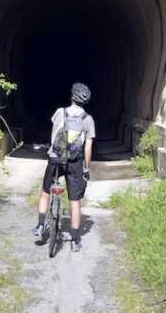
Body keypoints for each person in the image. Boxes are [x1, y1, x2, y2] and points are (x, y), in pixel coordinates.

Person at [33, 82, 95, 253]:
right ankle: (75, 239)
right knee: (75, 201)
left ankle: (39, 226)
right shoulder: (88, 120)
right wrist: (86, 168)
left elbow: (54, 133)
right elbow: (87, 147)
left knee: (46, 191)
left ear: (72, 97)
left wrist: (52, 151)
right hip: (74, 162)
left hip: (55, 157)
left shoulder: (60, 112)